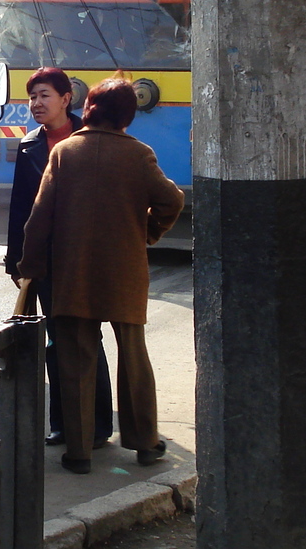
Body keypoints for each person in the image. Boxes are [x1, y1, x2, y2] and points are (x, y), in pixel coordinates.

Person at [16, 77, 184, 474]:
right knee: (133, 356)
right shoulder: (139, 154)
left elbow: (38, 220)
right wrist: (148, 231)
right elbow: (172, 200)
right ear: (127, 113)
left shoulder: (66, 152)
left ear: (88, 107)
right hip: (124, 271)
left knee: (76, 359)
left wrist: (31, 267)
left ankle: (80, 451)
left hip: (73, 272)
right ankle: (144, 443)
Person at [5, 67, 114, 448]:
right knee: (54, 340)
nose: (36, 103)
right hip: (46, 259)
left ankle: (98, 425)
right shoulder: (30, 145)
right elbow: (20, 207)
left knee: (87, 338)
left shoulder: (90, 140)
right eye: (32, 96)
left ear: (67, 99)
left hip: (84, 256)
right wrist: (14, 258)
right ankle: (62, 423)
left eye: (44, 95)